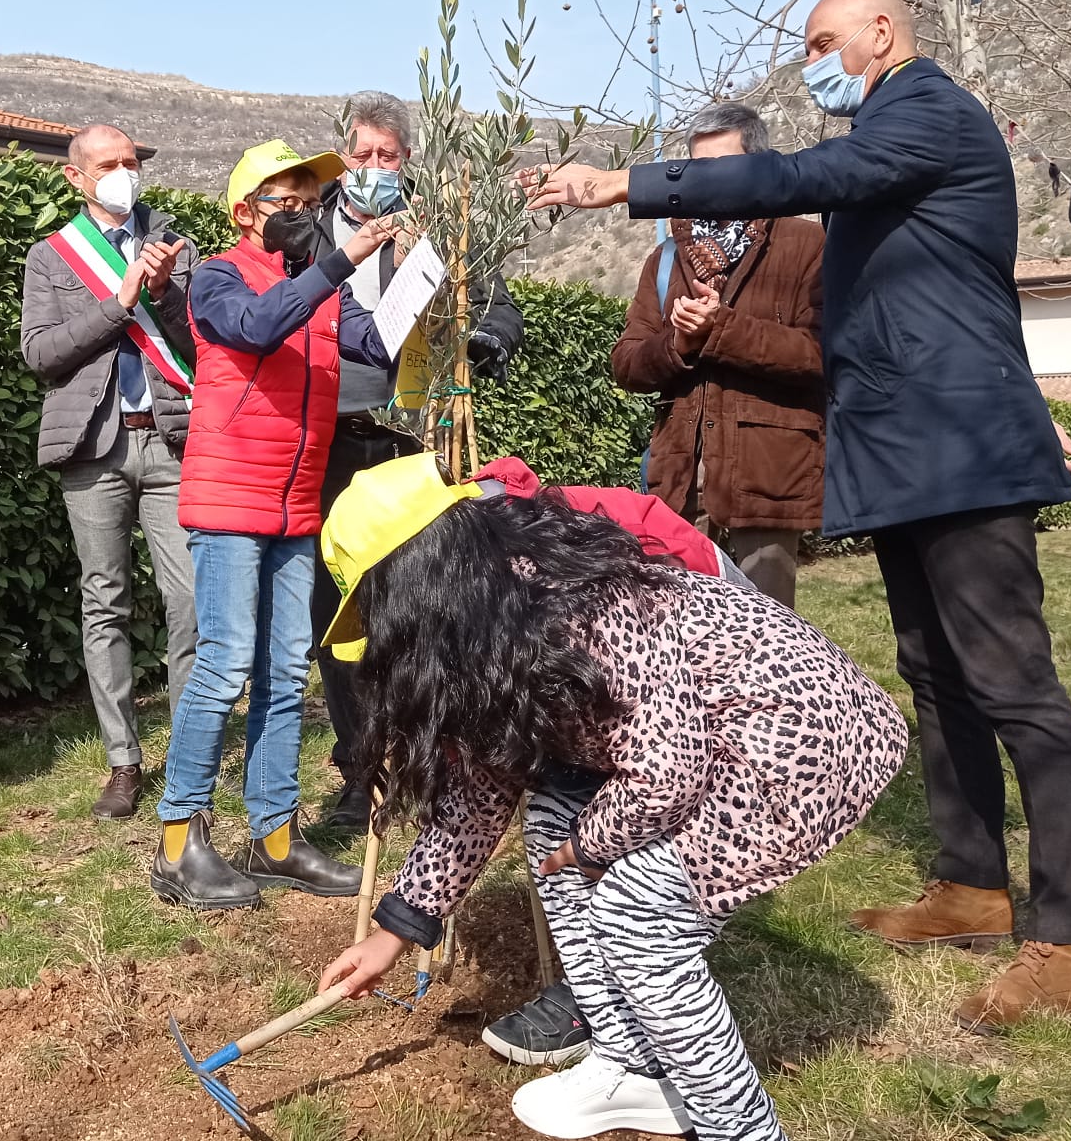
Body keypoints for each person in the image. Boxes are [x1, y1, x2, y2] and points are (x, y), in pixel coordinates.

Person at [526, 0, 1071, 1032]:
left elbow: (800, 173)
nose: (808, 62)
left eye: (818, 41)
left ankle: (1069, 936)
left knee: (1013, 684)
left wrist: (620, 181)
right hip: (904, 453)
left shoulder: (923, 110)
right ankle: (969, 883)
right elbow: (938, 300)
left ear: (880, 33)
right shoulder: (892, 145)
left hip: (963, 452)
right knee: (935, 673)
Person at [316, 454, 907, 1141]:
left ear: (421, 584)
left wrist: (591, 847)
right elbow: (478, 795)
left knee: (637, 916)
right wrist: (398, 927)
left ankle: (739, 1127)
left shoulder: (574, 605)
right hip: (710, 745)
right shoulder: (486, 631)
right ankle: (632, 1066)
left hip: (798, 741)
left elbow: (664, 772)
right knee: (549, 826)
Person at [150, 141, 397, 910]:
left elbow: (381, 345)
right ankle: (177, 842)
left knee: (287, 670)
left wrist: (439, 293)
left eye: (305, 199)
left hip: (295, 507)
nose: (297, 210)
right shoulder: (217, 279)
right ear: (243, 212)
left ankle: (276, 837)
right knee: (225, 667)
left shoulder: (323, 289)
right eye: (280, 199)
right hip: (230, 501)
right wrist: (336, 263)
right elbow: (255, 329)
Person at [309, 90, 525, 827]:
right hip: (332, 436)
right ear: (343, 159)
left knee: (427, 602)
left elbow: (496, 301)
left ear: (408, 160)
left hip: (420, 440)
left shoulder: (441, 225)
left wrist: (490, 338)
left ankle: (436, 762)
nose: (375, 169)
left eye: (388, 157)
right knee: (336, 609)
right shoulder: (308, 227)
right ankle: (360, 771)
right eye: (363, 156)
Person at [22, 124, 198, 820]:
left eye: (131, 162)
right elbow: (41, 354)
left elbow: (202, 344)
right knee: (106, 603)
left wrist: (166, 295)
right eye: (109, 164)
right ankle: (124, 761)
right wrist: (119, 301)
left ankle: (188, 750)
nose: (124, 172)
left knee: (188, 602)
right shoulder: (50, 256)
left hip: (171, 443)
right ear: (77, 177)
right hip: (94, 448)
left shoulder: (177, 245)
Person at [611, 102, 824, 608]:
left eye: (723, 167)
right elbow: (626, 362)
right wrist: (678, 343)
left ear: (759, 165)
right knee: (679, 638)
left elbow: (820, 355)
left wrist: (720, 328)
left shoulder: (806, 244)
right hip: (679, 484)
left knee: (767, 638)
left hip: (767, 484)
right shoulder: (665, 258)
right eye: (698, 168)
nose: (710, 181)